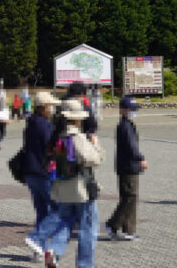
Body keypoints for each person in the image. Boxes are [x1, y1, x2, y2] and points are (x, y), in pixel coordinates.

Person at [42, 99, 104, 268]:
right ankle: (84, 264)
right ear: (77, 118)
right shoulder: (76, 137)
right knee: (88, 228)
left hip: (62, 187)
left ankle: (54, 250)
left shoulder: (57, 135)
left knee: (65, 222)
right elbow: (93, 159)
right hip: (81, 188)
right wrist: (96, 146)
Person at [103, 96, 148, 241]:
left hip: (129, 166)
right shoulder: (125, 126)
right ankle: (112, 224)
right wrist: (140, 158)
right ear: (123, 110)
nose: (133, 112)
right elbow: (131, 147)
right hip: (128, 166)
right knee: (129, 197)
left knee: (131, 197)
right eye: (130, 109)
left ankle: (129, 230)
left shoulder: (127, 124)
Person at [23, 92, 60, 261]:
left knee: (41, 211)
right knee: (59, 209)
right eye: (51, 106)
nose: (52, 109)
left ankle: (39, 250)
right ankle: (37, 238)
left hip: (30, 171)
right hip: (43, 171)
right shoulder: (44, 125)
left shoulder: (30, 123)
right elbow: (51, 147)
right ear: (44, 107)